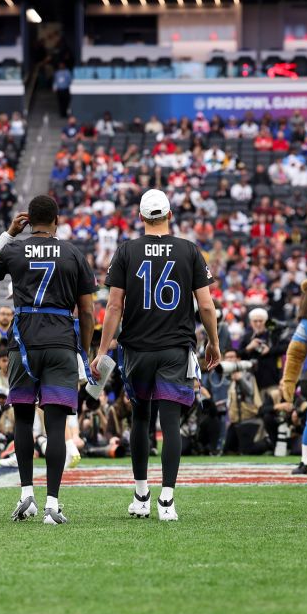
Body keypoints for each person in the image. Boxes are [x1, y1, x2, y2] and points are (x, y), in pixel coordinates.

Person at [92, 189, 221, 522]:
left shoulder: (127, 250)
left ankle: (141, 494)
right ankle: (167, 500)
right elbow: (206, 305)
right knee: (170, 422)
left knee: (141, 418)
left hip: (137, 348)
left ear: (140, 217)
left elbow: (114, 305)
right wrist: (214, 343)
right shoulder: (189, 250)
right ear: (170, 215)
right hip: (175, 347)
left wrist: (103, 350)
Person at [0, 195, 97, 525]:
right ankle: (53, 504)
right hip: (60, 342)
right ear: (57, 220)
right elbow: (87, 310)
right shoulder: (73, 252)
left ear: (28, 221)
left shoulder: (16, 249)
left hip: (22, 344)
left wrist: (8, 234)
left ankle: (25, 496)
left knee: (22, 421)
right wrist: (83, 350)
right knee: (57, 427)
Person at [237, 307, 287, 390]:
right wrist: (249, 348)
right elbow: (238, 354)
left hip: (272, 379)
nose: (258, 324)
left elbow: (286, 347)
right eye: (255, 321)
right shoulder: (247, 337)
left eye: (261, 321)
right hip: (252, 381)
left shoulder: (273, 334)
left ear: (266, 322)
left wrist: (269, 350)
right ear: (250, 323)